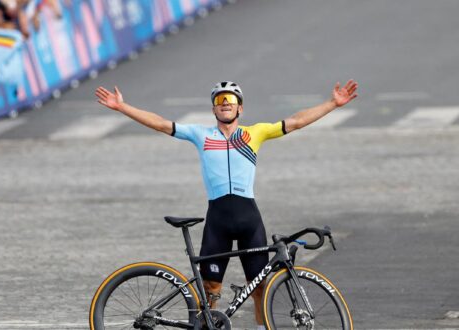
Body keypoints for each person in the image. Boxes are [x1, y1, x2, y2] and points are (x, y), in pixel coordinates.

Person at [95, 79, 358, 330]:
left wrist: (332, 104)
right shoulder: (201, 134)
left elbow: (297, 121)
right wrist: (122, 107)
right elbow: (162, 124)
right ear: (213, 108)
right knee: (210, 290)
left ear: (240, 107)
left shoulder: (254, 133)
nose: (225, 102)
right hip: (217, 220)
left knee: (260, 289)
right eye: (219, 99)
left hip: (249, 220)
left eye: (230, 99)